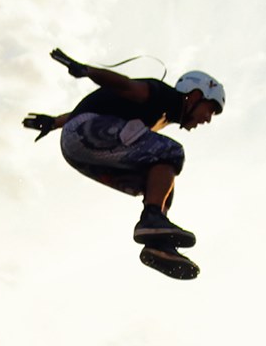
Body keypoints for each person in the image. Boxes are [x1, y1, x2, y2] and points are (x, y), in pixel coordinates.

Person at [22, 48, 226, 282]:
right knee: (171, 152)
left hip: (79, 146)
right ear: (196, 95)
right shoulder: (163, 96)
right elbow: (124, 85)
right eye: (209, 110)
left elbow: (101, 104)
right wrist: (88, 71)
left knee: (159, 182)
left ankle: (157, 243)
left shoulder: (163, 115)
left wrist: (53, 122)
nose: (207, 119)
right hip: (85, 132)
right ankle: (151, 219)